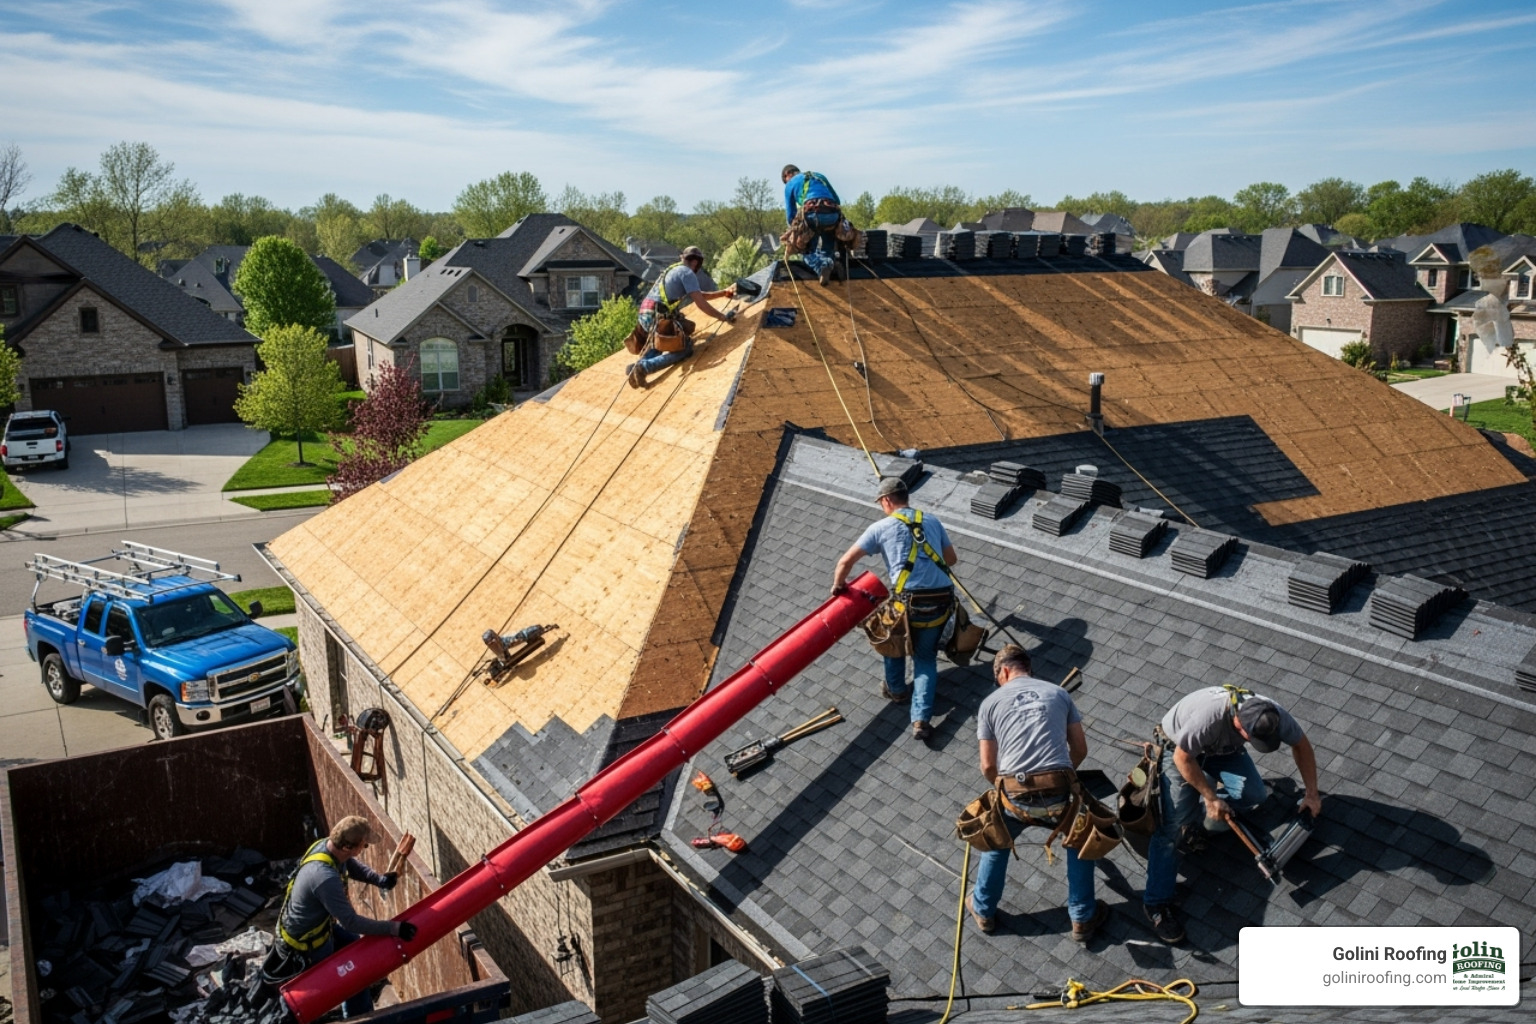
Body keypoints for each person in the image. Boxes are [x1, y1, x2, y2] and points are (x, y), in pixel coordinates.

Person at [1141, 685, 1321, 944]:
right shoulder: (1208, 719)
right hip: (1179, 750)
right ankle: (1155, 904)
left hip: (1221, 751)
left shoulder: (1271, 714)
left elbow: (1302, 745)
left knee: (1255, 795)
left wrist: (1312, 794)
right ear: (1239, 725)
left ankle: (1203, 815)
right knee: (1171, 828)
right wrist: (1211, 797)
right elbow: (1183, 759)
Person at [968, 645, 1106, 941]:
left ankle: (983, 910)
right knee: (1078, 839)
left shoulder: (990, 704)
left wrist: (1001, 789)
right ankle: (1081, 918)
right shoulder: (1058, 693)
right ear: (1026, 668)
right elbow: (1079, 749)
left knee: (997, 838)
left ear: (1003, 671)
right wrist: (1065, 777)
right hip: (1059, 792)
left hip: (1016, 796)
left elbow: (988, 765)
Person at [831, 475, 957, 741]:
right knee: (925, 658)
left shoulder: (881, 527)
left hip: (909, 602)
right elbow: (951, 559)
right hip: (940, 601)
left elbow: (845, 561)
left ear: (886, 500)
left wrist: (838, 587)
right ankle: (921, 720)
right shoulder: (931, 520)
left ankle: (897, 690)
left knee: (891, 639)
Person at [275, 815, 416, 1017]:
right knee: (343, 976)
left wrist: (380, 880)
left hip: (319, 927)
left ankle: (359, 1013)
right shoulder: (324, 878)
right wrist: (394, 928)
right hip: (307, 945)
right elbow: (350, 922)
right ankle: (348, 1015)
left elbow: (349, 864)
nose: (363, 850)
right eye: (364, 846)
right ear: (348, 847)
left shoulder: (327, 847)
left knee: (355, 957)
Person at [628, 246, 735, 388]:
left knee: (661, 342)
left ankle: (637, 368)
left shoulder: (674, 269)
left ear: (683, 257)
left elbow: (699, 294)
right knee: (685, 348)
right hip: (657, 314)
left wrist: (722, 293)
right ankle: (645, 367)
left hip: (645, 312)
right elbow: (701, 303)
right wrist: (722, 317)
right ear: (697, 263)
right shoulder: (687, 273)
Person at [781, 165, 844, 286]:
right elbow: (837, 200)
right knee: (828, 248)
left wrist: (794, 232)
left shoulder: (790, 184)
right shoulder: (819, 176)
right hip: (833, 214)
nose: (786, 183)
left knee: (807, 252)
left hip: (812, 214)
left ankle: (822, 266)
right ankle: (831, 266)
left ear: (787, 175)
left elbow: (790, 214)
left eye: (785, 181)